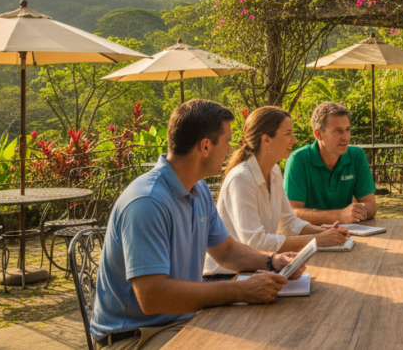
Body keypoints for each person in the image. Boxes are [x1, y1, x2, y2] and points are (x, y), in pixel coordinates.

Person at [90, 99, 306, 350]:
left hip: (184, 318)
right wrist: (241, 291)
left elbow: (226, 251)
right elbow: (152, 297)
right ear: (205, 146)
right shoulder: (147, 202)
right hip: (136, 336)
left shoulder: (199, 189)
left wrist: (271, 261)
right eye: (226, 142)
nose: (229, 150)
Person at [204, 107, 351, 277]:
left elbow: (288, 222)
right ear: (266, 139)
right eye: (288, 134)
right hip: (225, 277)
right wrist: (317, 240)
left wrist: (324, 233)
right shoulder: (241, 179)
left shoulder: (273, 170)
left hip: (254, 270)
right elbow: (255, 242)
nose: (294, 140)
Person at [284, 102, 377, 225]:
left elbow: (371, 206)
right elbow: (292, 213)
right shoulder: (298, 160)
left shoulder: (357, 155)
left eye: (347, 130)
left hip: (347, 235)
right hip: (309, 238)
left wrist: (354, 212)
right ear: (318, 134)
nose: (346, 137)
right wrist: (339, 216)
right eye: (338, 131)